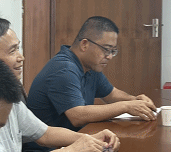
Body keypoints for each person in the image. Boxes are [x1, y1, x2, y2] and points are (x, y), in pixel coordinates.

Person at [0, 15, 119, 152]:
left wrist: (91, 139)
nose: (21, 57)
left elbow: (45, 134)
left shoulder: (6, 91)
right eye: (12, 51)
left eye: (18, 48)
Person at [27, 16, 157, 130]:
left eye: (113, 51)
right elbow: (77, 116)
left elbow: (111, 94)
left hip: (75, 139)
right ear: (84, 44)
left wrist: (136, 101)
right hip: (49, 147)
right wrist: (126, 106)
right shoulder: (64, 69)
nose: (109, 56)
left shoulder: (90, 66)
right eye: (106, 49)